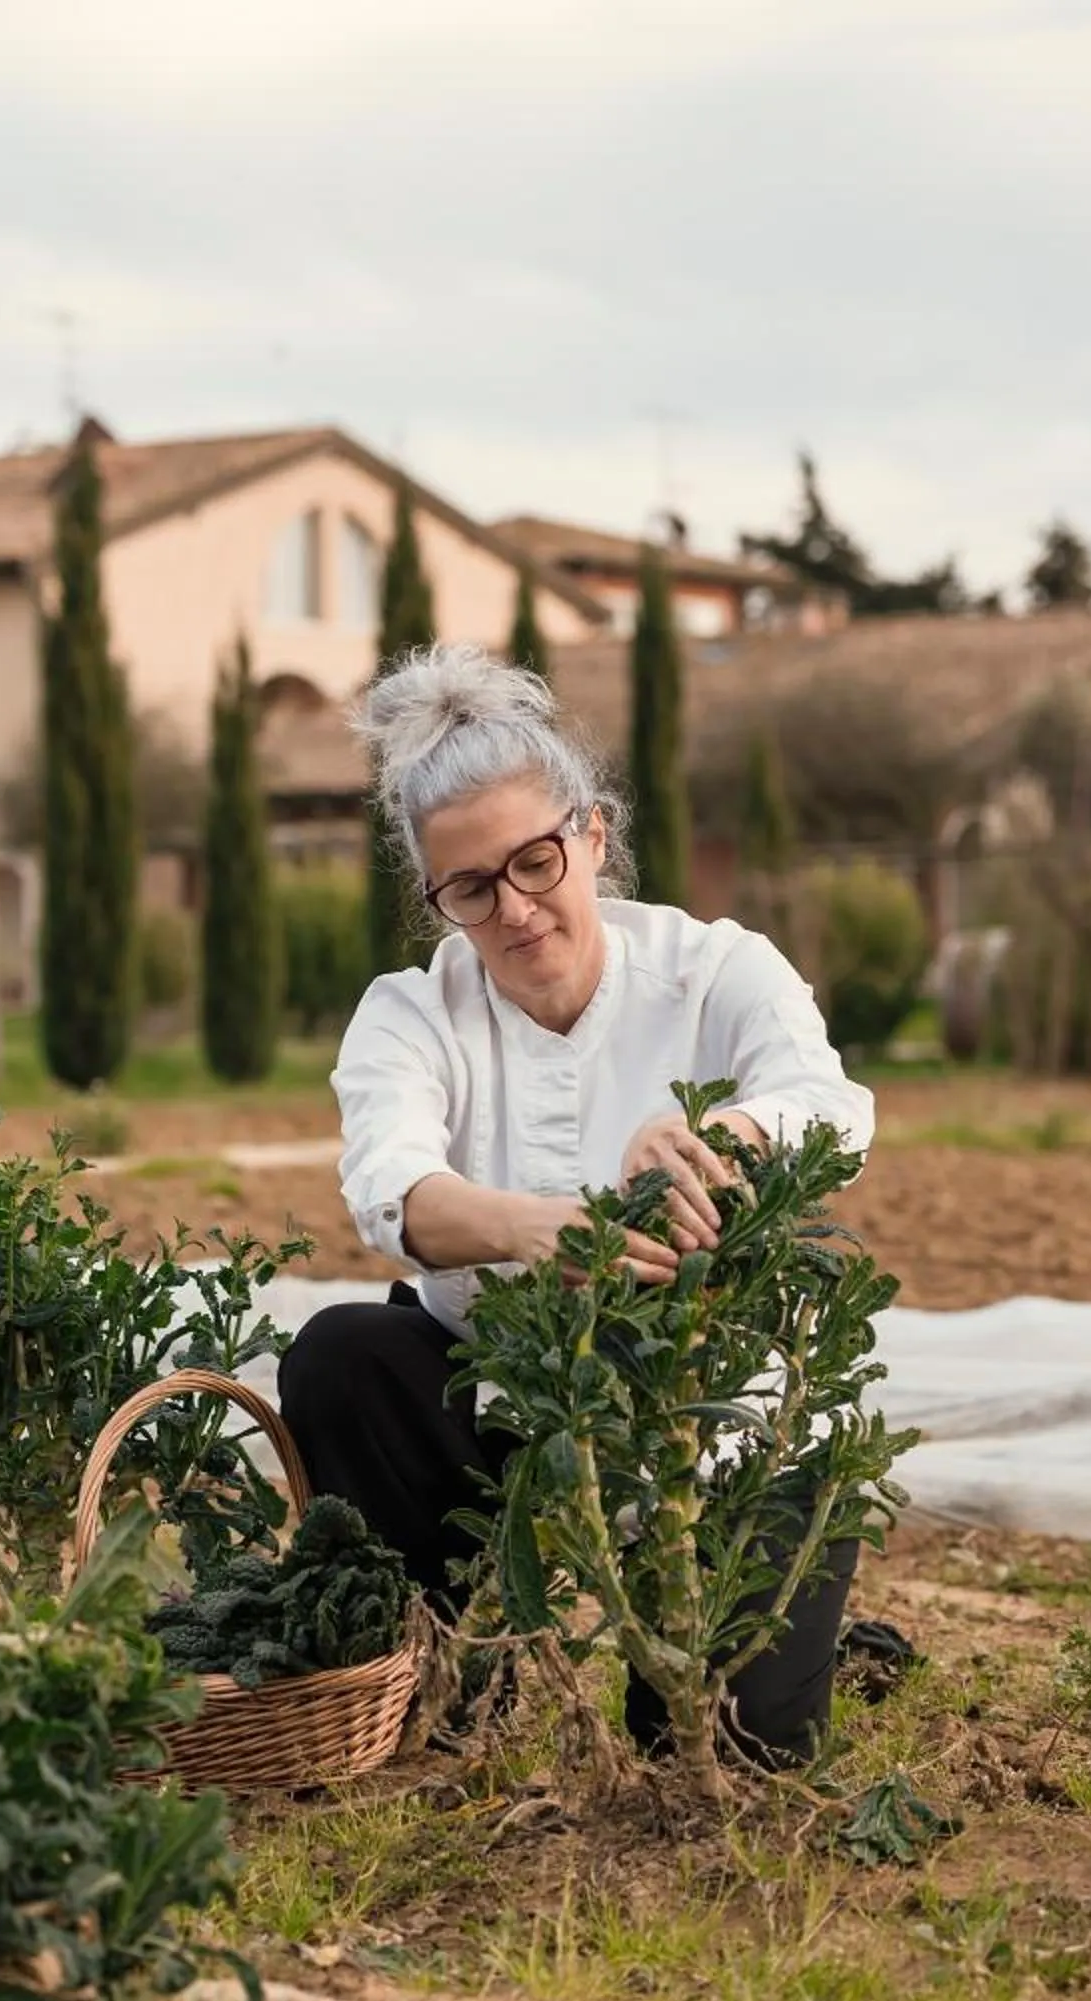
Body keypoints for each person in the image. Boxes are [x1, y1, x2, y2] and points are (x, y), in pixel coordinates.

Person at [274, 641, 878, 1765]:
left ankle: (800, 1640)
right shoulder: (411, 1015)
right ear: (435, 899)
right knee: (341, 1355)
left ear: (593, 835)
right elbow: (392, 1193)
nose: (515, 909)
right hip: (499, 1399)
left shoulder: (714, 968)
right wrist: (543, 1228)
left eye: (537, 861)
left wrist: (722, 1135)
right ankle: (449, 1677)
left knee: (724, 1752)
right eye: (470, 887)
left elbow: (832, 1106)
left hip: (714, 1419)